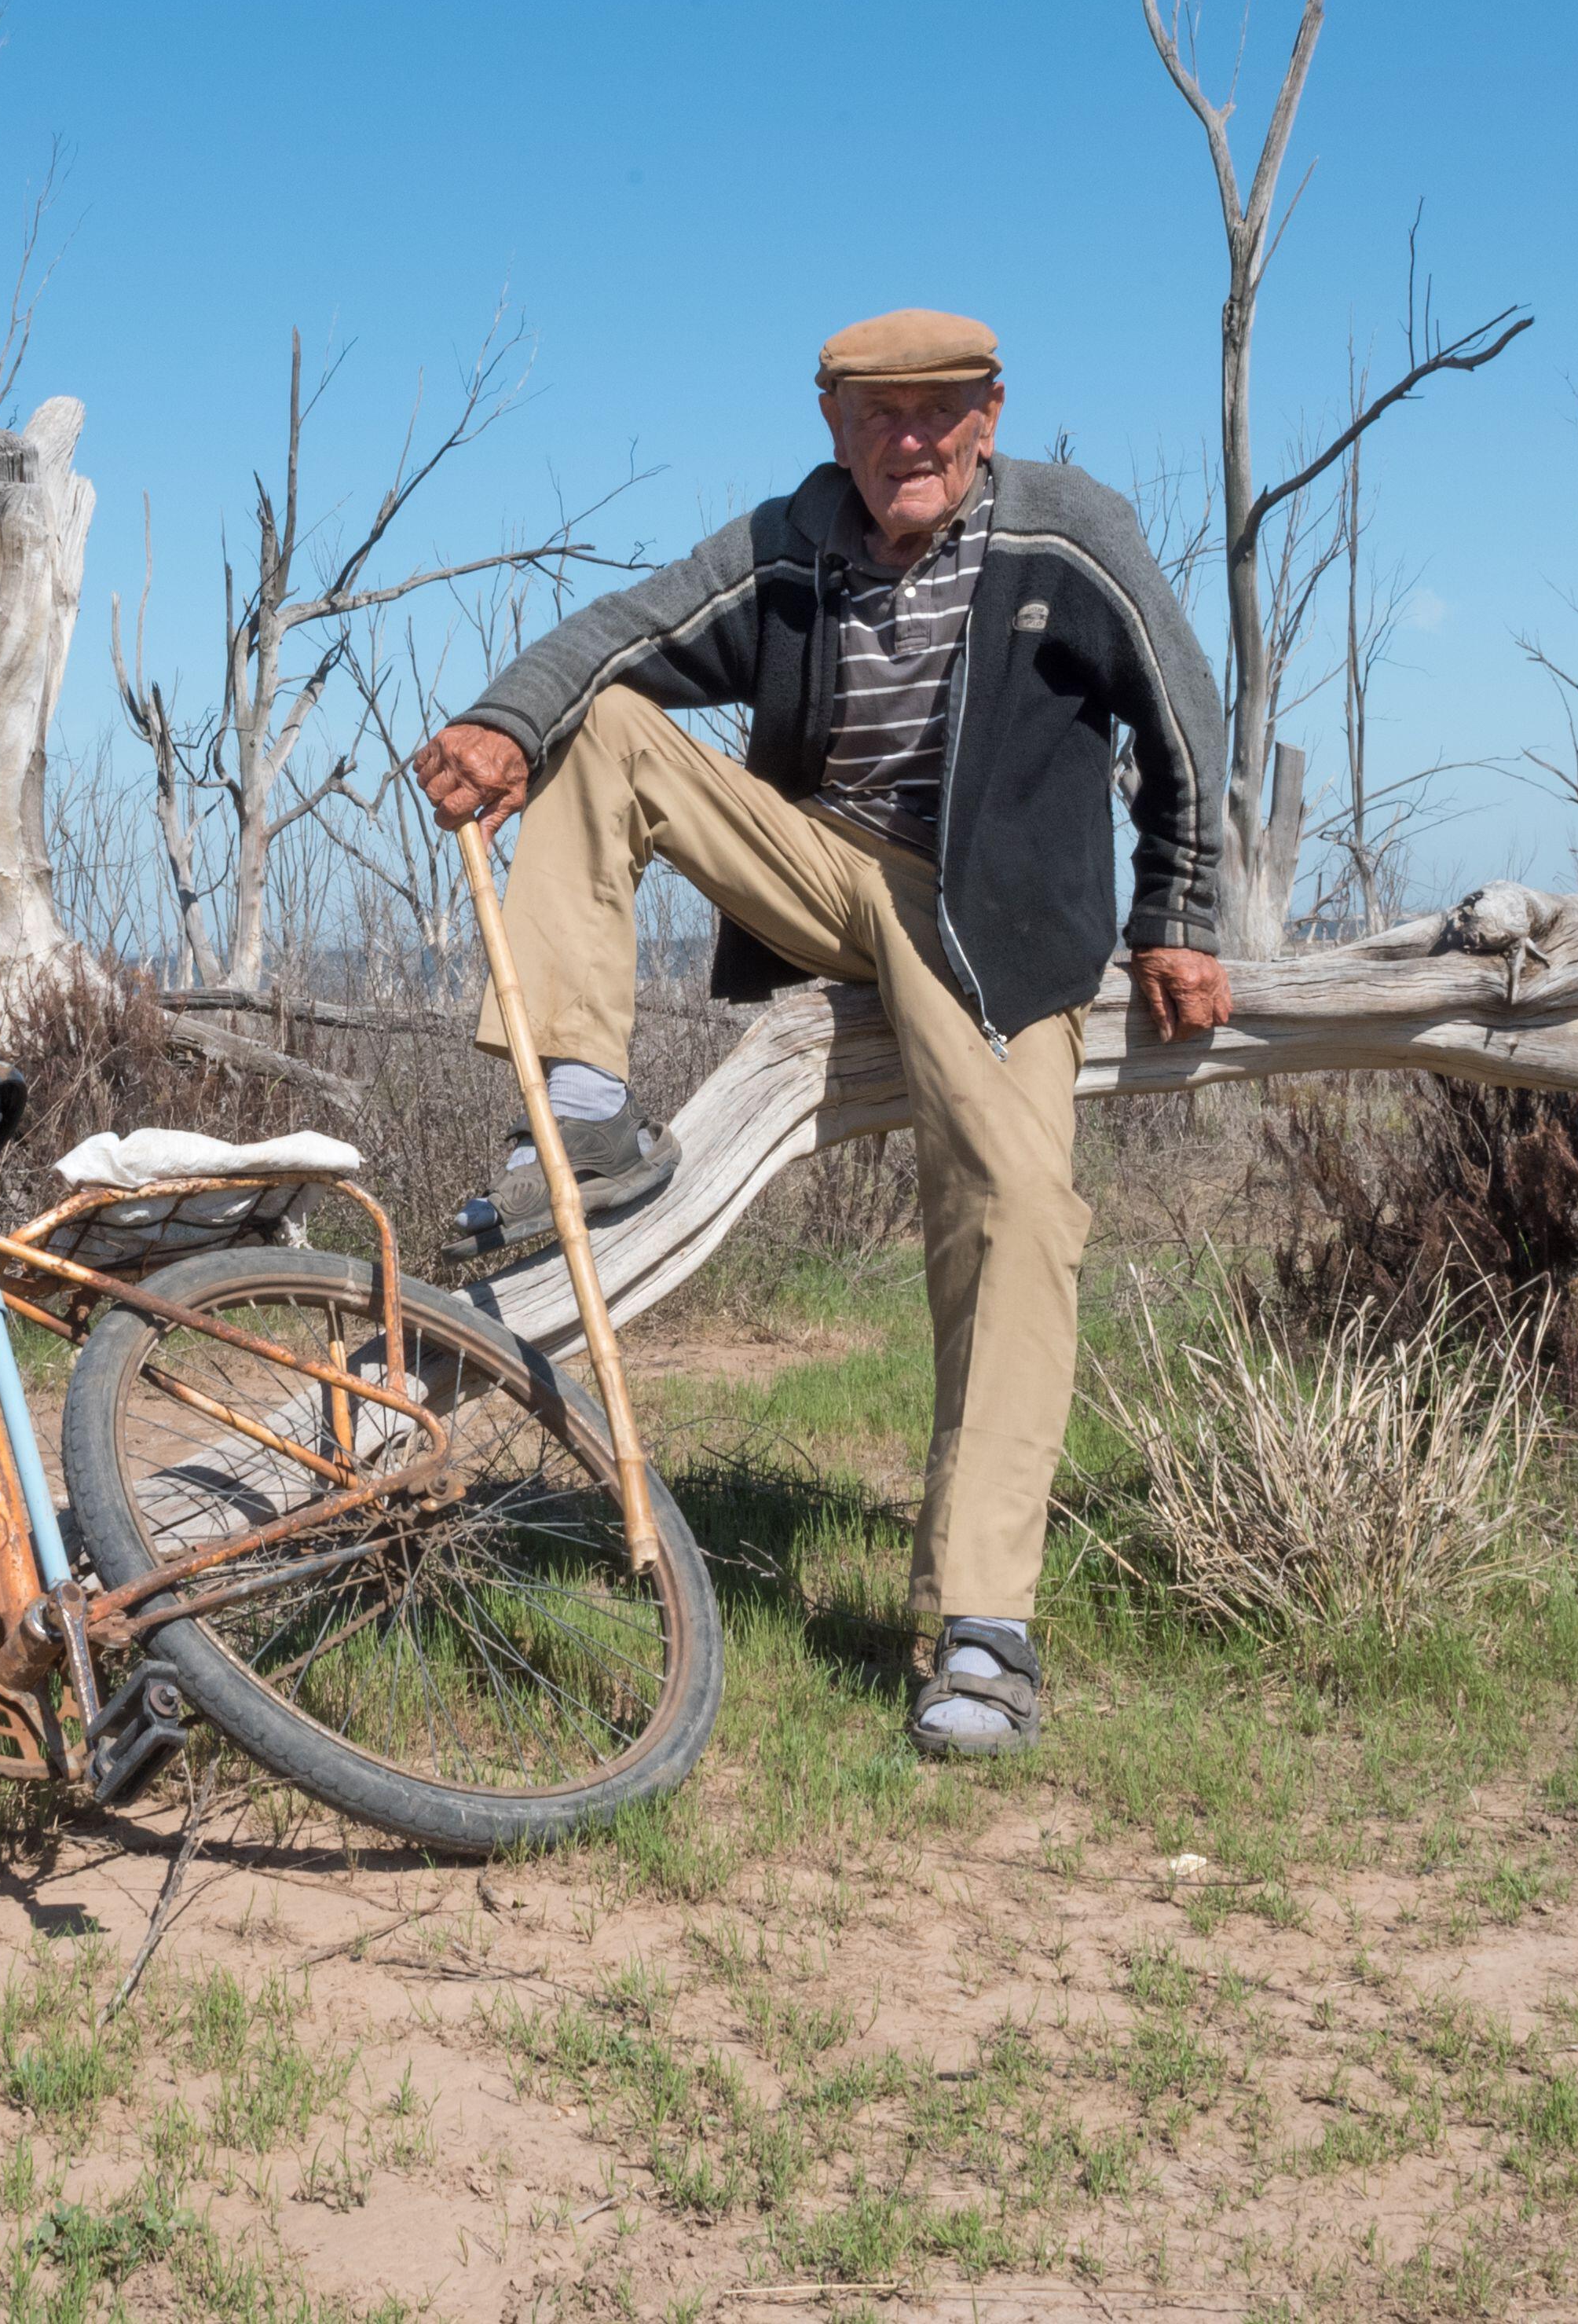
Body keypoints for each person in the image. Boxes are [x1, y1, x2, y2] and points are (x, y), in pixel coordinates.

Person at [412, 307, 1232, 1758]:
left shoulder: (1063, 534)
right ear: (832, 422)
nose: (906, 440)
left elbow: (1179, 716)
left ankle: (982, 1625)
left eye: (936, 413)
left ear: (987, 413)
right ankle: (586, 1111)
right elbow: (623, 633)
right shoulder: (792, 539)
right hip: (819, 870)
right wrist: (504, 723)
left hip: (992, 919)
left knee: (1019, 1214)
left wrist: (1179, 917)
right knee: (602, 721)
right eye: (876, 416)